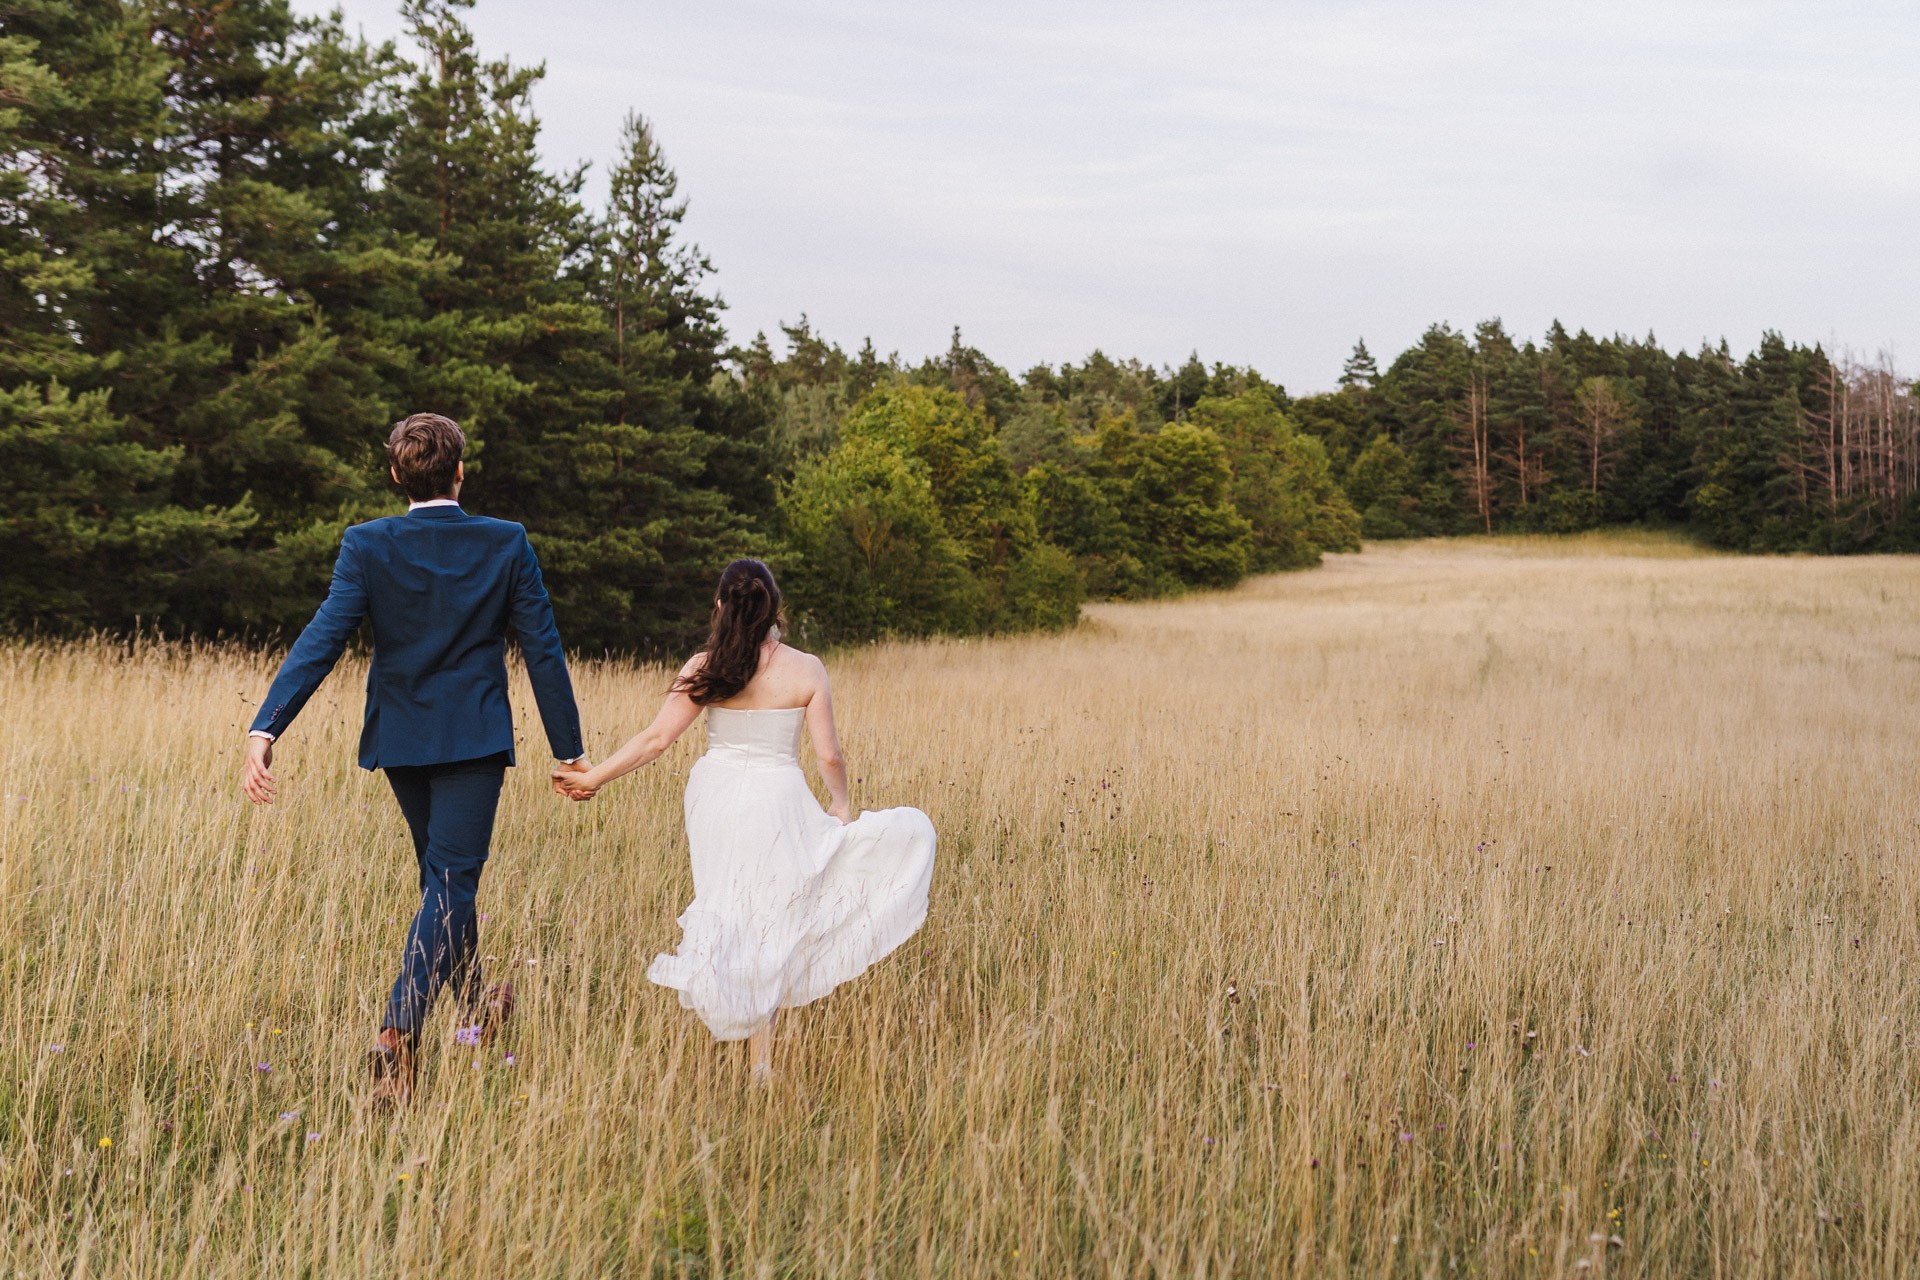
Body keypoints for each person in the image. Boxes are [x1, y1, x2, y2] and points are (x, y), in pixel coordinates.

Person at [241, 413, 590, 1108]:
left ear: (398, 475)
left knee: (444, 881)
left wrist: (266, 726)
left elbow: (324, 637)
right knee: (452, 884)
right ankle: (397, 1035)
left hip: (401, 741)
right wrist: (570, 749)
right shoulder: (507, 542)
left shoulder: (366, 543)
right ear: (460, 472)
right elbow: (542, 648)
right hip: (474, 742)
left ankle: (481, 1011)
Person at [553, 558, 934, 1082]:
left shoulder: (705, 666)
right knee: (771, 912)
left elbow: (654, 741)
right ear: (775, 607)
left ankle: (749, 1035)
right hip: (777, 795)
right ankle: (759, 1060)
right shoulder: (806, 668)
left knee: (732, 906)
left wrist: (594, 778)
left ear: (719, 605)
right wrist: (841, 805)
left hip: (716, 795)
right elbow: (829, 755)